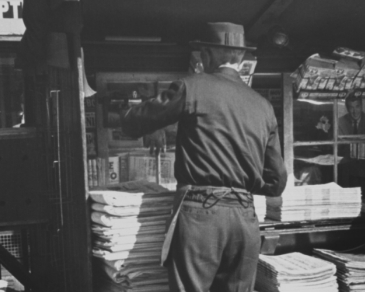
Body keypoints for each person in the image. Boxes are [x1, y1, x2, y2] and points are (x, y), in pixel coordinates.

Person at [121, 22, 287, 292]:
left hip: (200, 215)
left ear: (206, 56)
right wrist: (241, 185)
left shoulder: (191, 88)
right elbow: (276, 181)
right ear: (242, 58)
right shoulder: (263, 106)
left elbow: (134, 123)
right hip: (245, 218)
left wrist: (125, 110)